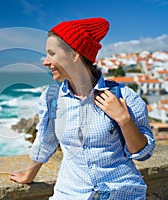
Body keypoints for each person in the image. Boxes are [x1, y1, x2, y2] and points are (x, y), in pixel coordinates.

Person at [9, 17, 155, 199]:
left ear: (74, 55)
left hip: (122, 193)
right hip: (70, 194)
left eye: (51, 53)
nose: (45, 61)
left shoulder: (123, 96)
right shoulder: (51, 98)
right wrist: (28, 175)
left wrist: (124, 121)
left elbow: (143, 154)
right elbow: (45, 141)